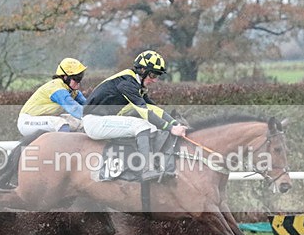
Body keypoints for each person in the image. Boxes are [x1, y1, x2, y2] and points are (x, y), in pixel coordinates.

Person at [83, 49, 187, 181]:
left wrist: (175, 123)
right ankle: (146, 169)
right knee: (142, 125)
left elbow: (154, 109)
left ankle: (154, 163)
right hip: (94, 122)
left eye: (157, 76)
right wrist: (171, 129)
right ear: (143, 71)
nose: (155, 80)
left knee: (152, 127)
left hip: (103, 119)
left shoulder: (136, 83)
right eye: (153, 75)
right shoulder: (127, 83)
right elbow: (144, 111)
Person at [17, 57, 88, 137]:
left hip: (47, 118)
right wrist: (91, 116)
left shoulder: (72, 90)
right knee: (60, 123)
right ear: (65, 77)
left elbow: (88, 105)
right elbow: (73, 108)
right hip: (28, 122)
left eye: (80, 78)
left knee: (79, 123)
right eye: (76, 79)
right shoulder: (56, 87)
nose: (78, 82)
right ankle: (64, 148)